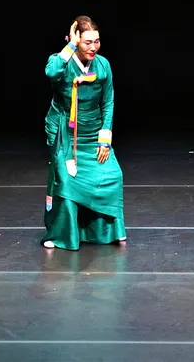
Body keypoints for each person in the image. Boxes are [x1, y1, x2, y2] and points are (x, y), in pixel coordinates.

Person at [41, 15, 126, 250]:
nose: (93, 47)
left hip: (92, 133)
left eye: (96, 41)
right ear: (76, 40)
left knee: (113, 175)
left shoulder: (103, 65)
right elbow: (51, 72)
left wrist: (104, 139)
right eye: (87, 42)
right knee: (67, 181)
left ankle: (107, 231)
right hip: (64, 134)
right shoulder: (61, 61)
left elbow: (108, 102)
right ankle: (62, 235)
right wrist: (70, 45)